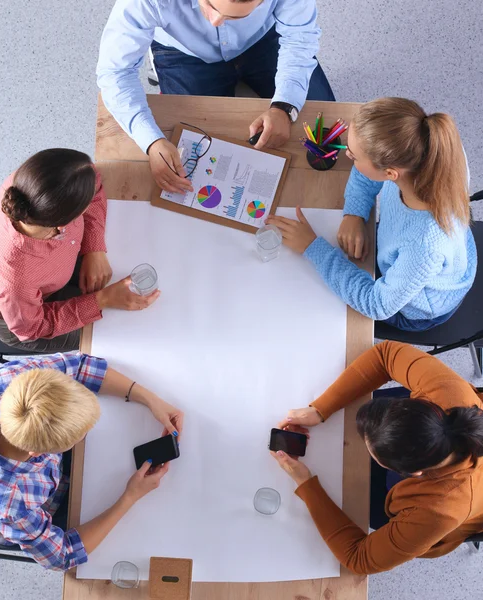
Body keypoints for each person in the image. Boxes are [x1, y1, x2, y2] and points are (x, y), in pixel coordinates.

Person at [271, 341, 483, 574]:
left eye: (368, 448)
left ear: (413, 474)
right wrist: (321, 409)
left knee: (362, 505)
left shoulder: (437, 511)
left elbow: (359, 558)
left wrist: (305, 484)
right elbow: (386, 355)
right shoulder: (448, 391)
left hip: (449, 508)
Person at [267, 97, 476, 331]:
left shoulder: (423, 246)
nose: (347, 155)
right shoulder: (429, 153)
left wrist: (312, 247)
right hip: (411, 254)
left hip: (417, 308)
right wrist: (354, 213)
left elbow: (376, 304)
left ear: (390, 173)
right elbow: (367, 170)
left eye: (354, 156)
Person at [97, 0, 335, 194]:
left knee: (327, 129)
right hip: (183, 52)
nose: (213, 21)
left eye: (234, 16)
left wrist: (285, 106)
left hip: (263, 39)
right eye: (208, 4)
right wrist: (150, 141)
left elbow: (300, 38)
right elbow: (115, 73)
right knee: (195, 154)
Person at [0, 352, 183, 570]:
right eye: (80, 436)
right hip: (43, 510)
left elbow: (80, 365)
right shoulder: (13, 505)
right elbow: (62, 555)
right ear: (39, 452)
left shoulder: (15, 379)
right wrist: (130, 496)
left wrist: (149, 399)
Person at [0, 149, 160, 352]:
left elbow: (94, 180)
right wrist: (103, 300)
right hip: (28, 320)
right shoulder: (16, 278)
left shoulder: (32, 184)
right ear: (64, 223)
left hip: (53, 273)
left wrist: (94, 248)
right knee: (110, 333)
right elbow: (32, 328)